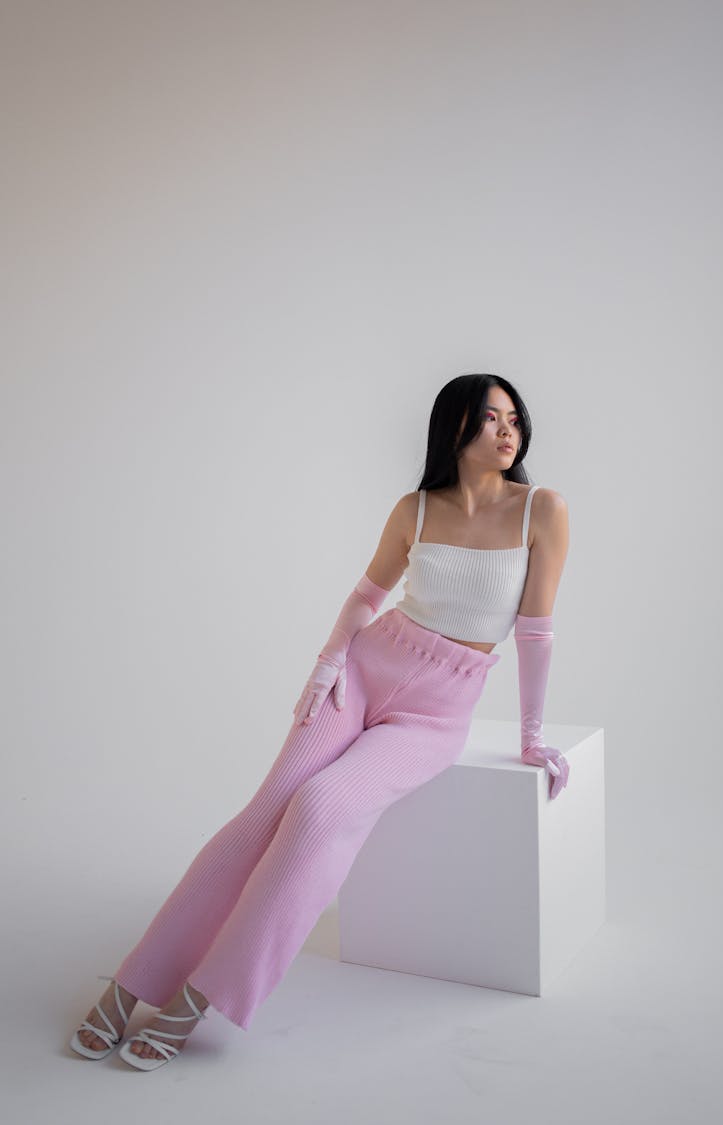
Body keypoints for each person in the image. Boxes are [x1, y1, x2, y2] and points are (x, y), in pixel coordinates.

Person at [69, 372, 570, 1070]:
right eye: (489, 418)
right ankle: (132, 984)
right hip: (366, 670)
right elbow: (368, 594)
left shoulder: (540, 510)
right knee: (262, 814)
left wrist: (532, 737)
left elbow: (536, 634)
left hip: (434, 713)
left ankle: (198, 997)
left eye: (513, 418)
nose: (507, 430)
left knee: (318, 806)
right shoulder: (415, 508)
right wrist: (327, 663)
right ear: (453, 427)